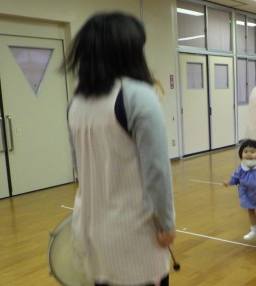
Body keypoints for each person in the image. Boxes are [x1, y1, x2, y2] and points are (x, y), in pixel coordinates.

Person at [65, 12, 175, 286]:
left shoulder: (76, 102)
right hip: (134, 235)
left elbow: (79, 167)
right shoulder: (138, 95)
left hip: (91, 229)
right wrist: (166, 223)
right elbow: (157, 171)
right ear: (129, 50)